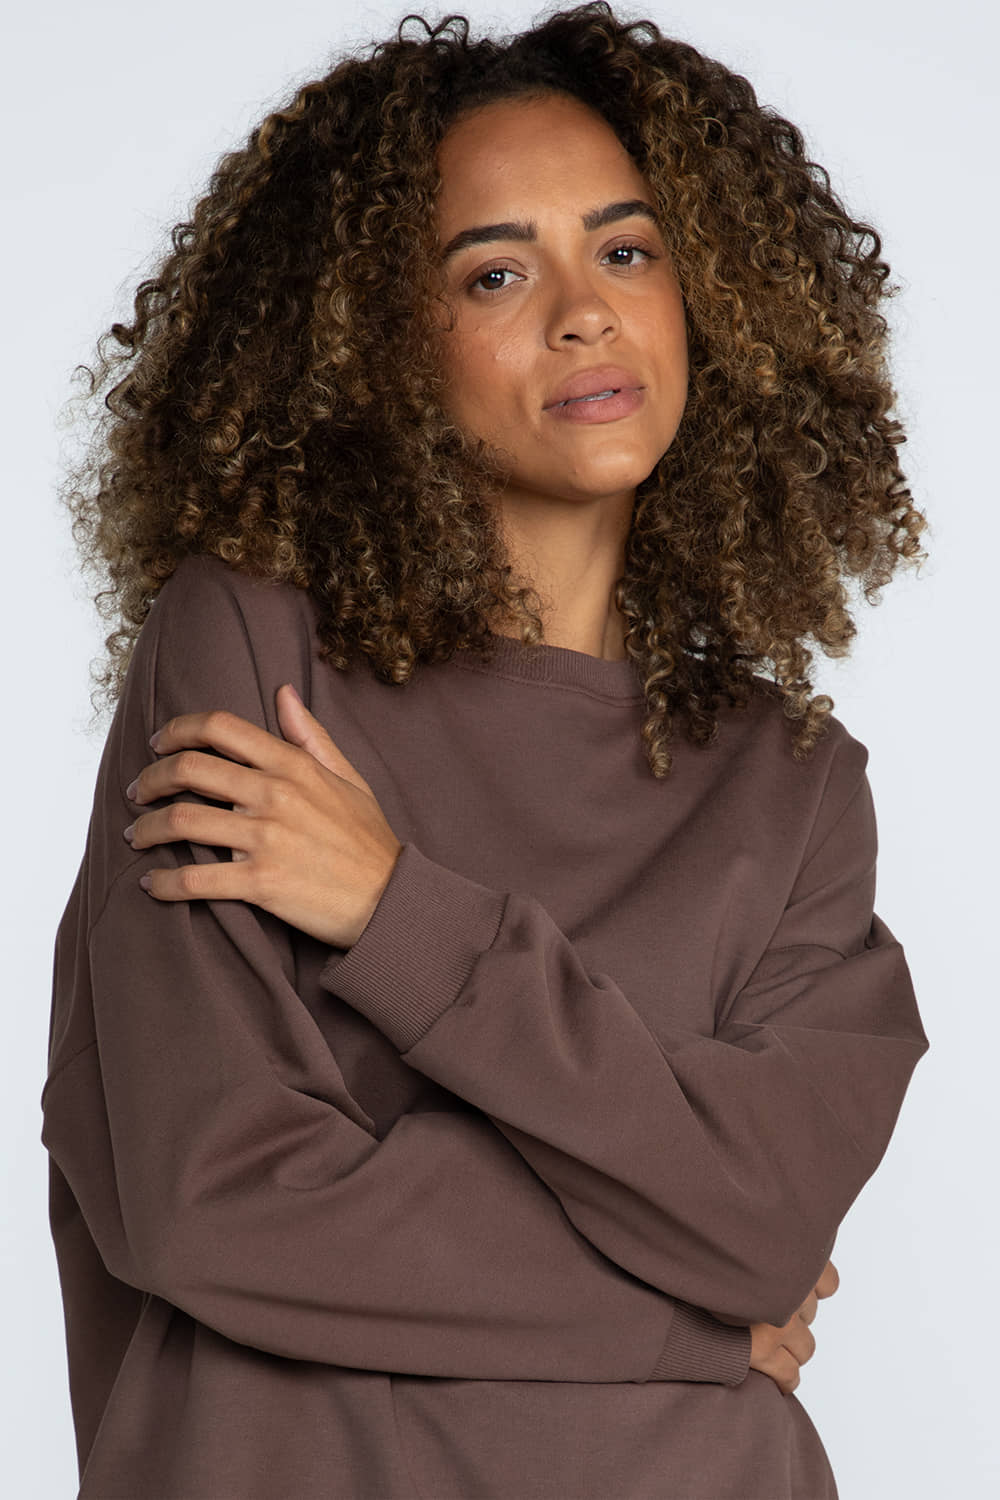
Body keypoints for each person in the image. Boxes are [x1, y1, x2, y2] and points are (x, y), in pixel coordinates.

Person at [43, 5, 931, 1497]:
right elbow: (212, 1199)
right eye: (496, 272)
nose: (585, 313)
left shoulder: (793, 785)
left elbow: (765, 1221)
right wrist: (690, 1318)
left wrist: (397, 913)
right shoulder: (255, 655)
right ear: (378, 347)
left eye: (628, 251)